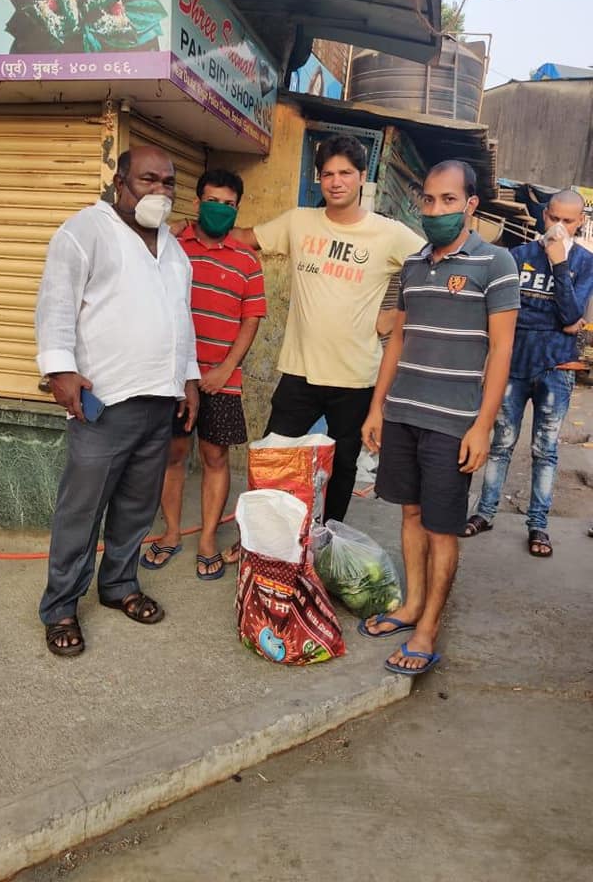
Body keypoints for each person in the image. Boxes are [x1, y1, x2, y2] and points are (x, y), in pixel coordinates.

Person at [210, 134, 423, 531]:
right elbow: (247, 239)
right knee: (274, 458)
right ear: (318, 178)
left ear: (363, 177)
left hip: (356, 377)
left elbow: (433, 265)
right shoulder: (299, 221)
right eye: (328, 174)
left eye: (346, 173)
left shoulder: (389, 232)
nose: (336, 181)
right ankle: (260, 540)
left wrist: (396, 313)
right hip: (300, 373)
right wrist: (196, 225)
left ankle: (326, 541)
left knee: (341, 471)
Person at [35, 145, 200, 656]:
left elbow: (181, 321)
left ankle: (119, 585)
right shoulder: (85, 231)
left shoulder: (173, 248)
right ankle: (61, 605)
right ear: (119, 182)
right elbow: (55, 302)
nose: (161, 191)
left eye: (169, 182)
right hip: (103, 401)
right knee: (82, 510)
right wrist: (59, 370)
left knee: (136, 506)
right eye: (148, 179)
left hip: (159, 400)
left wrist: (189, 379)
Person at [360, 160, 520, 676]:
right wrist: (377, 407)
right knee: (408, 514)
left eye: (448, 200)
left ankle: (427, 627)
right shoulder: (412, 265)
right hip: (404, 410)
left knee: (441, 527)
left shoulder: (496, 264)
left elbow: (501, 352)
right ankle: (410, 605)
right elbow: (397, 339)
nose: (437, 210)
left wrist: (482, 424)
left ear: (471, 204)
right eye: (429, 201)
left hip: (454, 420)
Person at [141, 169, 266, 580]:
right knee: (173, 455)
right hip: (174, 376)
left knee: (215, 458)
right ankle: (172, 532)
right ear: (198, 203)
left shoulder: (248, 260)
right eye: (213, 201)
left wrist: (227, 368)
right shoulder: (173, 247)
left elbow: (251, 320)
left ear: (237, 209)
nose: (220, 210)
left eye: (229, 205)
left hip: (222, 379)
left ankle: (209, 538)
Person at [463, 190, 593, 557]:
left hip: (556, 368)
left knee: (545, 450)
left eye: (569, 221)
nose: (560, 227)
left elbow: (570, 315)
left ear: (580, 222)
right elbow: (506, 313)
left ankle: (538, 525)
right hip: (514, 366)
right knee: (501, 443)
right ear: (543, 216)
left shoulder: (584, 263)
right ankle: (485, 511)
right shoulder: (515, 257)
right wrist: (558, 321)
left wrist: (559, 265)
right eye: (554, 218)